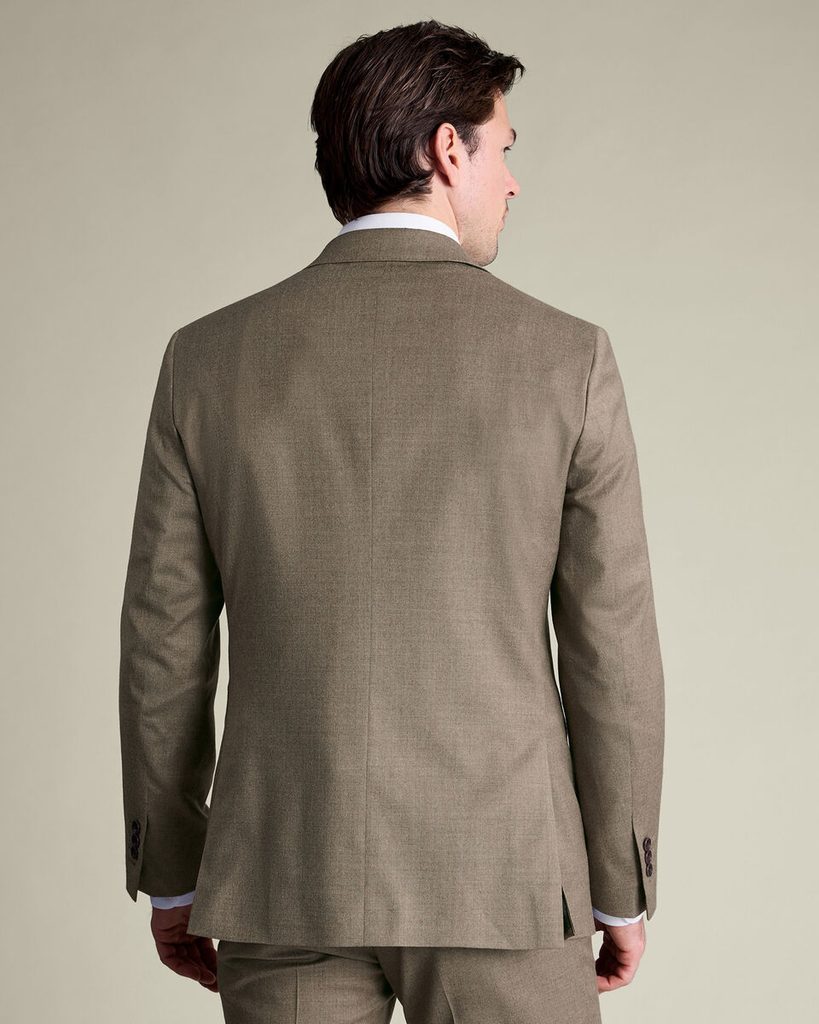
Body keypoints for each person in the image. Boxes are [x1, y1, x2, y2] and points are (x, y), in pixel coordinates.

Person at [119, 19, 665, 1024]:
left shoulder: (207, 359)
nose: (512, 181)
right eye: (503, 148)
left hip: (283, 873)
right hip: (507, 880)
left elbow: (165, 642)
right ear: (447, 149)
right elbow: (611, 647)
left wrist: (173, 873)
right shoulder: (566, 358)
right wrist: (618, 884)